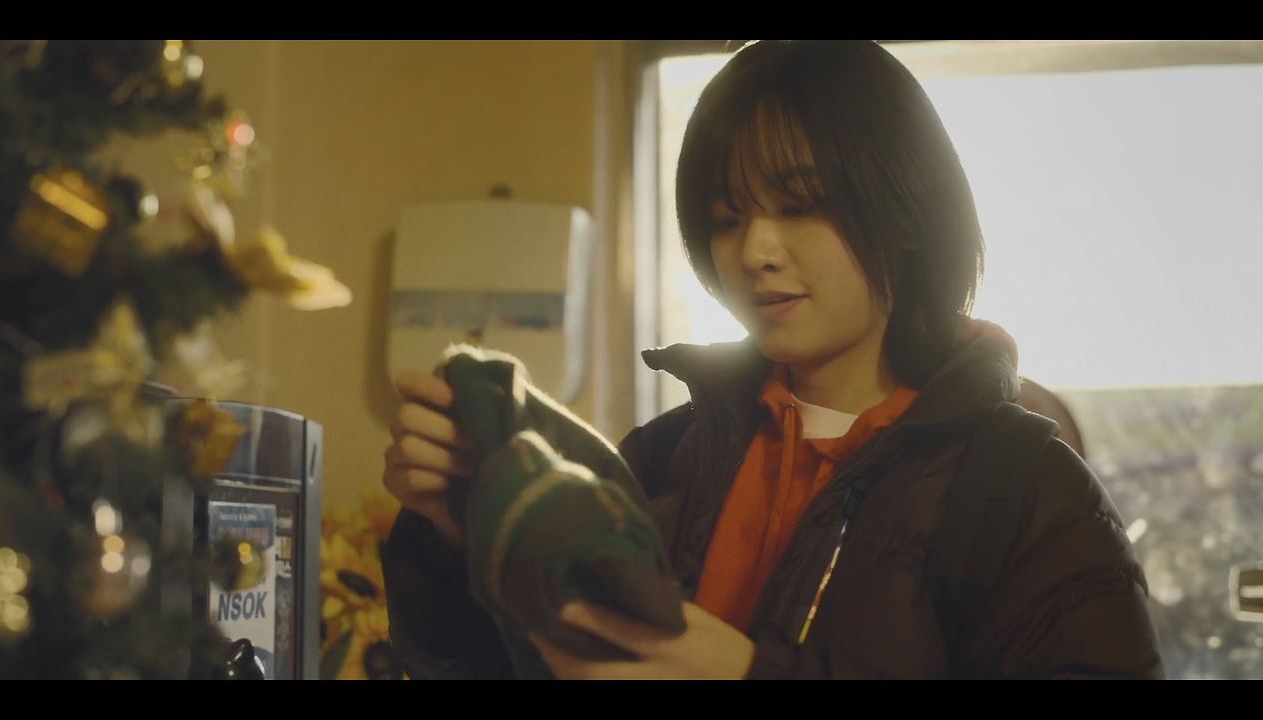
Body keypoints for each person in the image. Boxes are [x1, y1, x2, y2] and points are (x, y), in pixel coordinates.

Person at [379, 40, 1164, 679]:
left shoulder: (1026, 489)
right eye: (726, 217)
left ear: (905, 213)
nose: (754, 250)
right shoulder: (662, 460)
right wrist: (459, 535)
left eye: (800, 205)